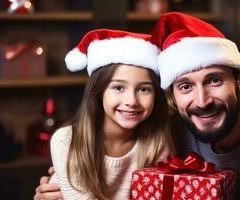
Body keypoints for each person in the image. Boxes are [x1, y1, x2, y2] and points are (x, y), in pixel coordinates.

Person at [35, 12, 240, 200]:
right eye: (185, 86)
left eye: (215, 80)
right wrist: (58, 186)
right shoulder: (167, 126)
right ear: (171, 96)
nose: (202, 101)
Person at [34, 29, 174, 200]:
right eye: (118, 87)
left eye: (144, 89)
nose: (132, 101)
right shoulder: (67, 141)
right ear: (99, 91)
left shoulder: (157, 142)